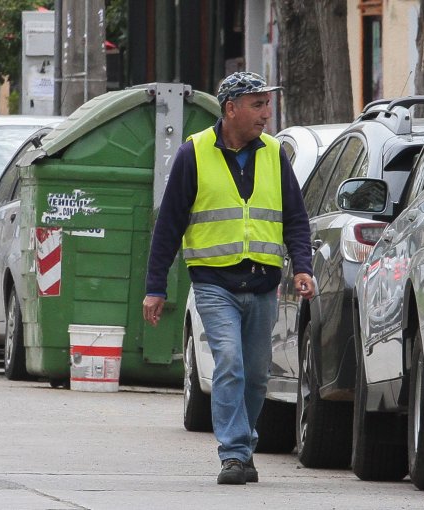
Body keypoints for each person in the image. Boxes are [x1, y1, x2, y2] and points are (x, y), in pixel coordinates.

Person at [142, 71, 315, 485]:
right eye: (257, 105)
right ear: (231, 109)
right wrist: (155, 287)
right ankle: (234, 454)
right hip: (214, 283)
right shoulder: (194, 153)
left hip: (262, 285)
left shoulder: (274, 154)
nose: (266, 114)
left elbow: (295, 217)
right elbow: (169, 224)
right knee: (230, 364)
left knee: (256, 375)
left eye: (267, 104)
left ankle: (244, 444)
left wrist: (303, 266)